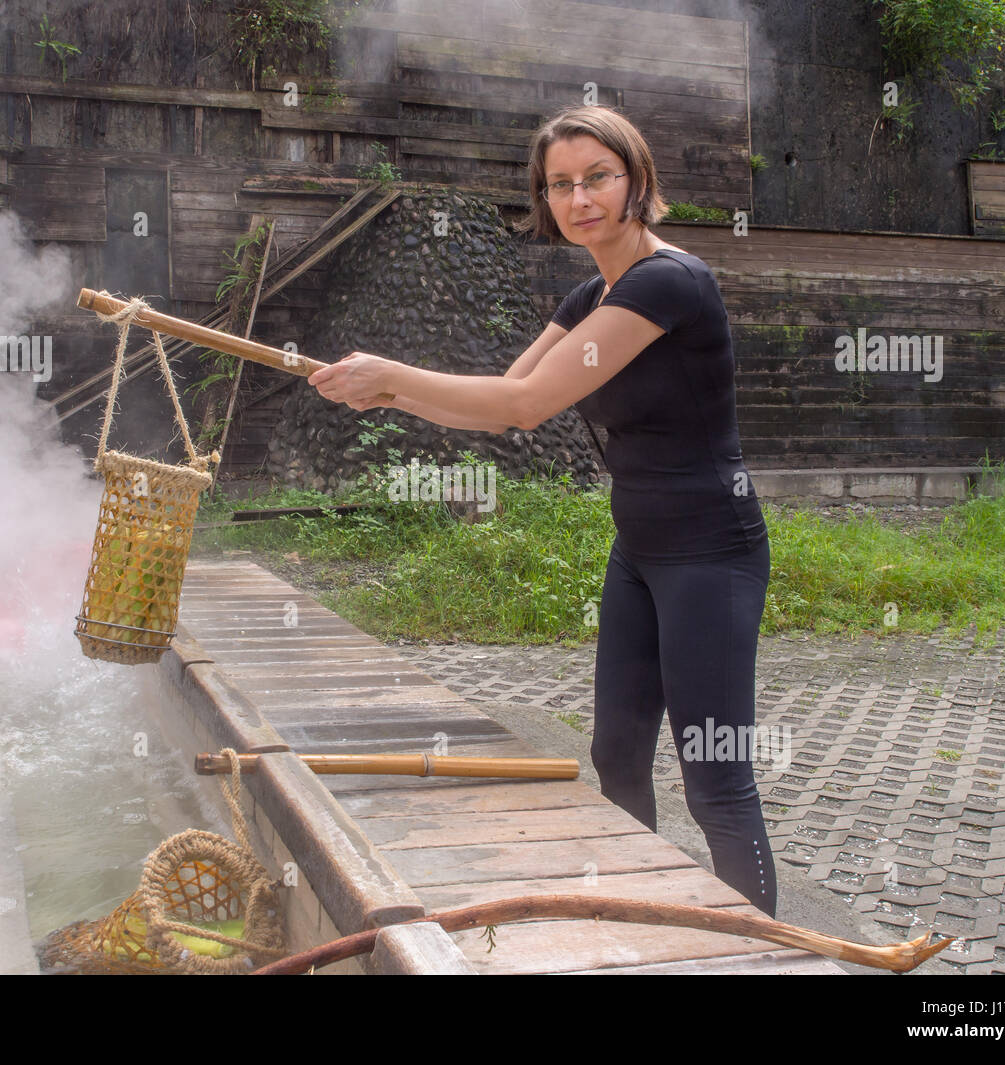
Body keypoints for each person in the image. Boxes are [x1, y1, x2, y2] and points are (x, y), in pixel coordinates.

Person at [307, 105, 777, 917]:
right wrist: (385, 392)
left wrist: (394, 375)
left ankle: (767, 953)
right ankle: (644, 921)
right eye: (560, 184)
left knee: (715, 778)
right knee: (616, 756)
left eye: (597, 176)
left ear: (637, 179)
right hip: (639, 551)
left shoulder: (669, 282)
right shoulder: (590, 295)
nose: (579, 197)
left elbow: (526, 403)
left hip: (711, 552)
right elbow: (498, 407)